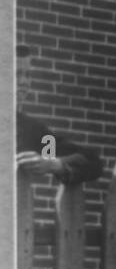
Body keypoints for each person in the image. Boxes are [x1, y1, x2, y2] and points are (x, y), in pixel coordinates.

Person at [15, 45, 103, 184]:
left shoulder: (32, 131)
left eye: (28, 75)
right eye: (16, 74)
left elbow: (91, 161)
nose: (24, 82)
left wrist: (54, 164)